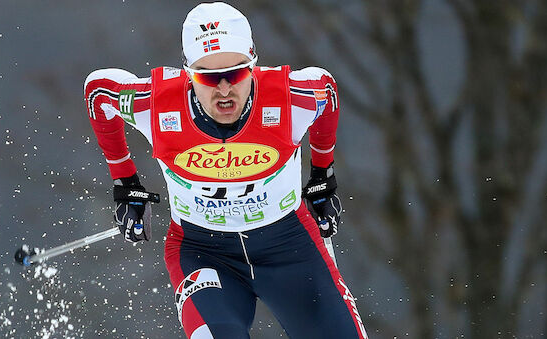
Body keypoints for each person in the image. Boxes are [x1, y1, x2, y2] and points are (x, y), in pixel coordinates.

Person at [84, 2, 368, 338]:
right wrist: (125, 181)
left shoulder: (291, 98)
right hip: (204, 253)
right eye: (208, 76)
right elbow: (98, 90)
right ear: (188, 73)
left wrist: (323, 176)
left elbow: (327, 89)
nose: (224, 89)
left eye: (236, 73)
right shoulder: (157, 105)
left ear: (253, 66)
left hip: (290, 248)